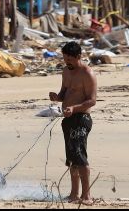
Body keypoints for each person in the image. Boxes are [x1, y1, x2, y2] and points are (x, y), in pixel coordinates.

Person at [49, 41, 97, 205]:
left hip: (82, 119)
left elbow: (92, 100)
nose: (67, 62)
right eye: (64, 59)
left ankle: (87, 196)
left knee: (80, 156)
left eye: (70, 59)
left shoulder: (87, 73)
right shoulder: (66, 71)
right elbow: (64, 92)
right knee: (71, 158)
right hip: (67, 119)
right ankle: (74, 194)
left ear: (79, 56)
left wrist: (74, 108)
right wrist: (57, 97)